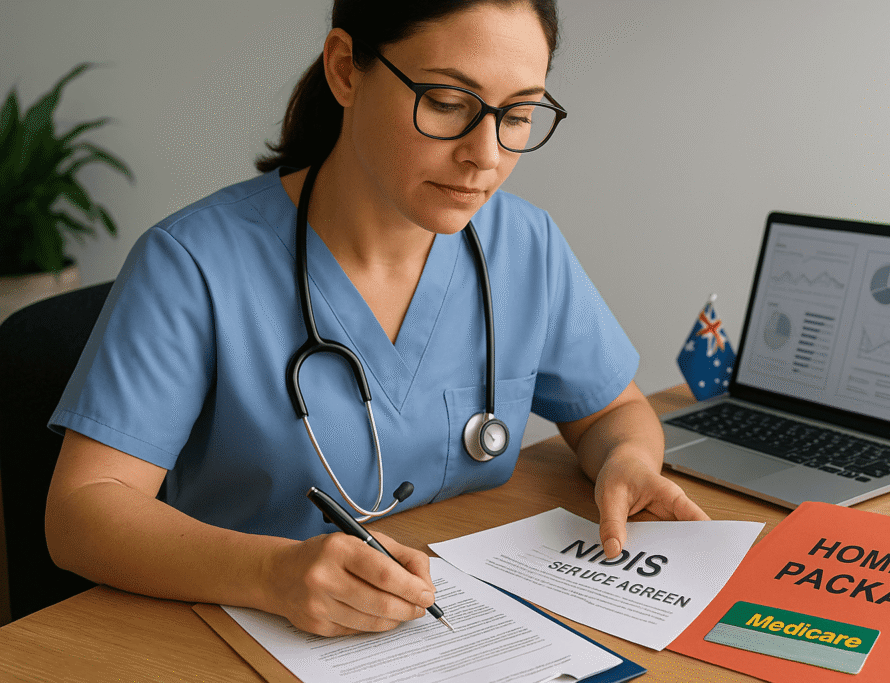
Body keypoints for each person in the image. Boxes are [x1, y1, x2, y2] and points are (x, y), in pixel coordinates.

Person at [44, 0, 710, 638]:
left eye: (519, 114)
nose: (487, 154)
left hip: (453, 631)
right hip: (236, 632)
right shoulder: (193, 263)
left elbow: (607, 410)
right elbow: (82, 510)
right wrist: (273, 572)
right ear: (344, 69)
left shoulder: (523, 245)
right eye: (448, 103)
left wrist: (626, 459)